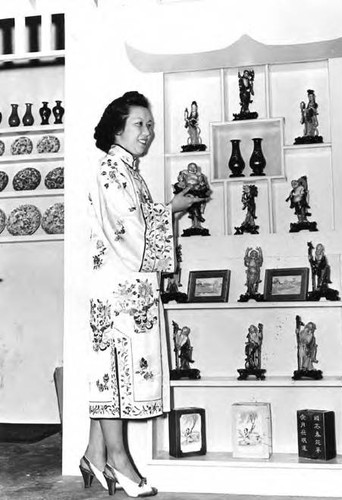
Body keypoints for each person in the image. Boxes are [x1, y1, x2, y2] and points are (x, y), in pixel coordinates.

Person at [80, 91, 205, 497]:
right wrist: (169, 210)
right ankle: (118, 459)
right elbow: (128, 230)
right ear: (118, 127)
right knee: (114, 375)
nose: (147, 133)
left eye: (150, 125)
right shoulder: (110, 171)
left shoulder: (130, 172)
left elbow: (140, 220)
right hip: (117, 291)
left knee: (112, 374)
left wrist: (170, 208)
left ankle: (93, 456)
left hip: (128, 287)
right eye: (139, 124)